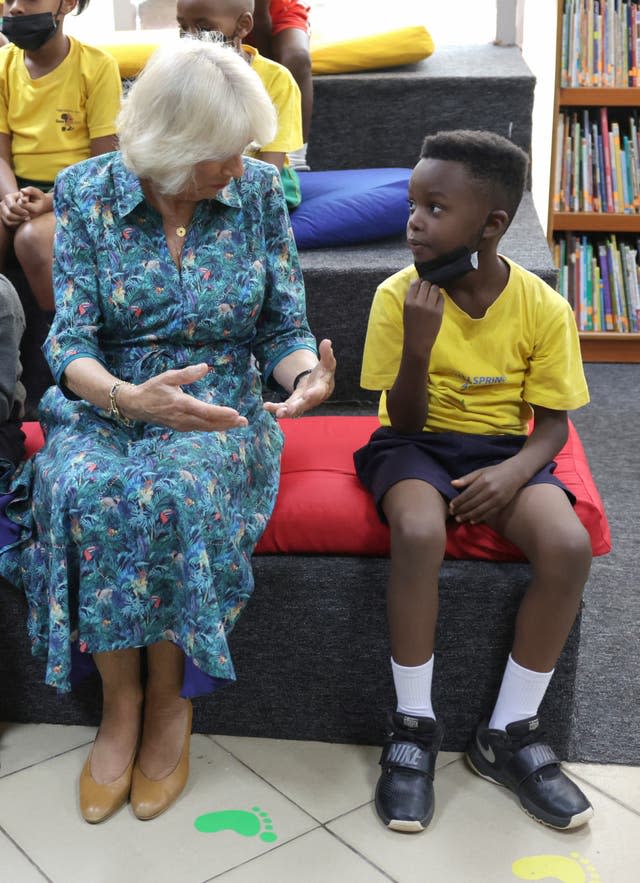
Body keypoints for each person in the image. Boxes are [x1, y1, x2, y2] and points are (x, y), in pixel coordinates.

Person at [0, 37, 335, 824]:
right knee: (84, 483)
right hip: (107, 391)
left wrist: (303, 378)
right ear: (169, 144)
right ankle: (120, 705)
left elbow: (283, 325)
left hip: (219, 401)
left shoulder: (253, 193)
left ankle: (169, 701)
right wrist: (125, 398)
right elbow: (68, 342)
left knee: (174, 487)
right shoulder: (84, 193)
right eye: (222, 151)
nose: (241, 162)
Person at [354, 129, 594, 834]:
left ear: (492, 225)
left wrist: (515, 471)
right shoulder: (397, 295)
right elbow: (401, 417)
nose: (413, 222)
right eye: (412, 205)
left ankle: (510, 730)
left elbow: (551, 424)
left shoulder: (544, 308)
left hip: (500, 447)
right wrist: (420, 345)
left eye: (435, 207)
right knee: (420, 528)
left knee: (568, 546)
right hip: (411, 441)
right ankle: (413, 726)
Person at [0, 0, 121, 313]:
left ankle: (65, 343)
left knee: (32, 239)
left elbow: (102, 164)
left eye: (29, 0)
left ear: (67, 3)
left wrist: (51, 200)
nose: (14, 9)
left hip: (76, 194)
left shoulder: (96, 66)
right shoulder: (2, 65)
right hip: (16, 188)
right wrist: (12, 199)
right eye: (10, 0)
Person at [176, 0, 304, 208]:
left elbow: (270, 165)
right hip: (201, 173)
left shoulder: (276, 79)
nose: (190, 38)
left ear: (243, 25)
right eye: (182, 27)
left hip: (257, 172)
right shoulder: (178, 73)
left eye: (205, 28)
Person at [249, 0, 311, 170]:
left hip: (278, 10)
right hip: (217, 11)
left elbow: (260, 17)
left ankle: (295, 159)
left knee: (297, 57)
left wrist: (270, 73)